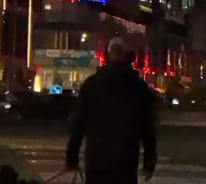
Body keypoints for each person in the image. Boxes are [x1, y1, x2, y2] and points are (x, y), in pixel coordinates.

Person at [66, 38, 157, 184]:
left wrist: (72, 157)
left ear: (107, 56)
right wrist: (149, 162)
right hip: (125, 162)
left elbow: (78, 124)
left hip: (97, 160)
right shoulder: (138, 87)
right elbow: (148, 128)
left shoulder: (92, 85)